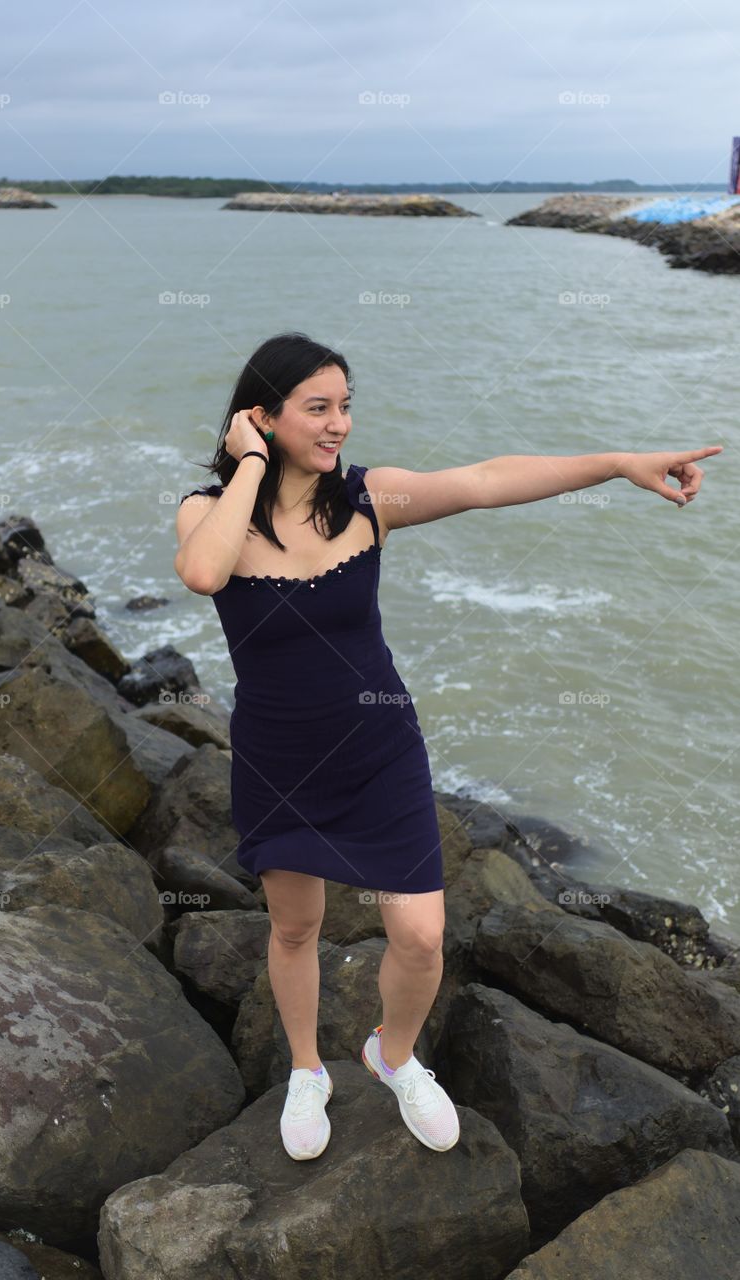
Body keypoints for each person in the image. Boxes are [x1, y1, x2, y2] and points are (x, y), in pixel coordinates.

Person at [175, 330, 722, 1162]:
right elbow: (204, 574)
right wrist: (247, 465)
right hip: (279, 758)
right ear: (260, 416)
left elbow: (485, 480)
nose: (338, 426)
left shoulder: (369, 501)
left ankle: (391, 1057)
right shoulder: (204, 513)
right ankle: (305, 1070)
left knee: (422, 936)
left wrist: (617, 462)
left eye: (346, 407)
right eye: (317, 408)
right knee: (294, 928)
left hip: (378, 747)